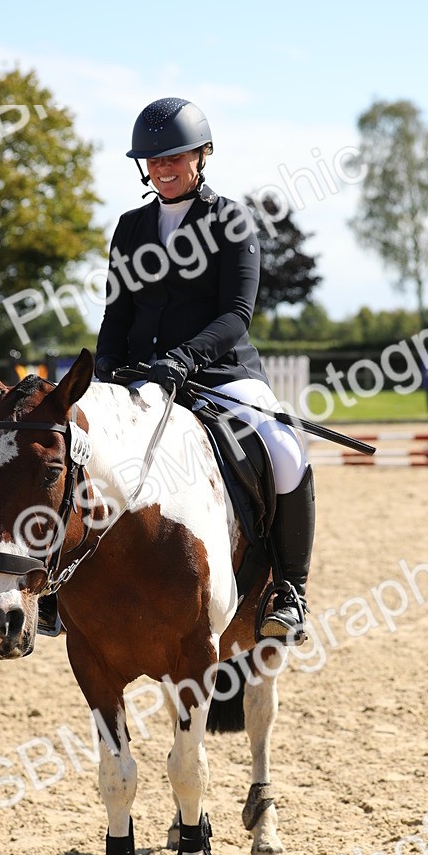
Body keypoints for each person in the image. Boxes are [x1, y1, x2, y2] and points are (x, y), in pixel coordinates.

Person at [95, 97, 315, 643]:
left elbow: (236, 314)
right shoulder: (130, 227)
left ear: (203, 154)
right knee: (84, 452)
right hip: (143, 377)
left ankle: (290, 589)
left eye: (175, 157)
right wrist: (105, 377)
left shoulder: (231, 221)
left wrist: (184, 359)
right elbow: (116, 312)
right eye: (152, 160)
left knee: (286, 451)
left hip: (220, 373)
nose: (163, 169)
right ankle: (59, 585)